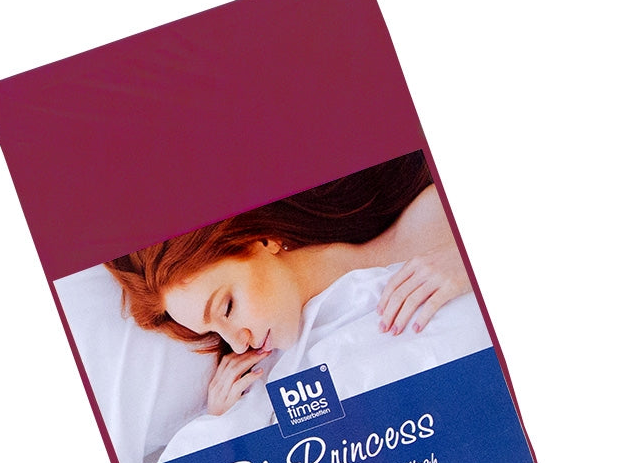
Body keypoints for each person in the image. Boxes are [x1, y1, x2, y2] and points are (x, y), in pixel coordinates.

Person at [106, 152, 471, 417]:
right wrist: (222, 418)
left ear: (262, 241)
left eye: (228, 308)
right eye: (215, 333)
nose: (239, 342)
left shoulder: (435, 224)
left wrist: (468, 265)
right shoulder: (260, 373)